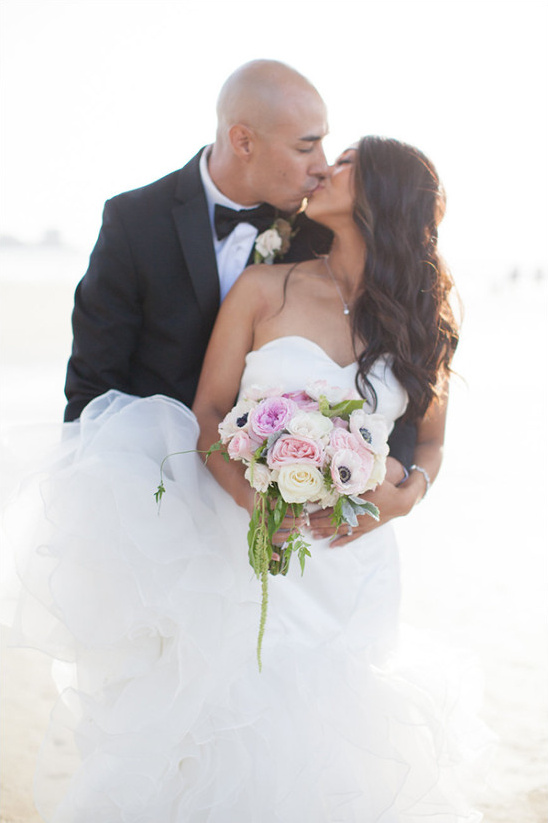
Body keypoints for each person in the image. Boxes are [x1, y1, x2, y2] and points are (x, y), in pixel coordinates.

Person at [9, 136, 489, 821]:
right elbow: (208, 412)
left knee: (338, 756)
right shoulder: (266, 287)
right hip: (242, 551)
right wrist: (248, 493)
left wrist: (409, 494)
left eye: (347, 161)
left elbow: (432, 442)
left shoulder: (420, 318)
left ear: (383, 197)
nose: (326, 166)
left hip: (355, 569)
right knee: (227, 738)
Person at [62, 59, 417, 541]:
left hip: (280, 513)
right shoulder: (135, 221)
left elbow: (398, 369)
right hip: (151, 498)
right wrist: (101, 507)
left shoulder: (326, 228)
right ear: (244, 141)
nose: (322, 165)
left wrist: (404, 482)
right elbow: (92, 389)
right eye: (305, 145)